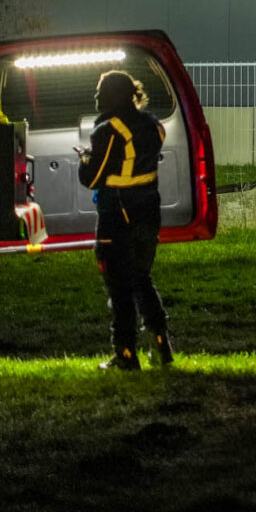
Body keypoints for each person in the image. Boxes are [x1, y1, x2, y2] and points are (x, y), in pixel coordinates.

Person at [78, 70, 173, 370]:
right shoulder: (154, 125)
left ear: (114, 95)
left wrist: (85, 159)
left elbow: (92, 178)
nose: (96, 97)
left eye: (101, 91)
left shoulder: (108, 130)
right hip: (149, 213)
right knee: (142, 279)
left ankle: (126, 354)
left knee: (119, 287)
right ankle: (162, 346)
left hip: (117, 217)